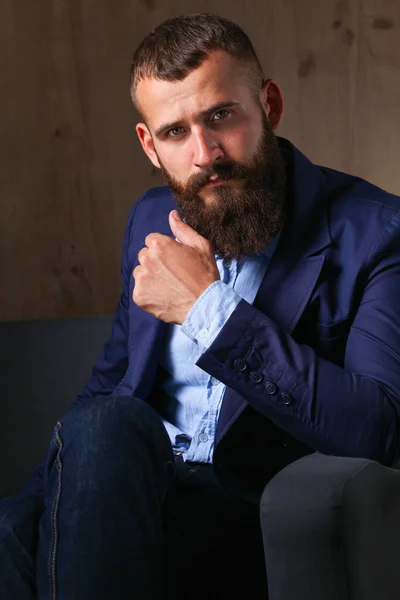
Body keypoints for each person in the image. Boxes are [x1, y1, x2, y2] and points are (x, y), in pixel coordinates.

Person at [1, 12, 400, 600]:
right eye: (175, 132)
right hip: (131, 494)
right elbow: (110, 386)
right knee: (15, 524)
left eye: (220, 117)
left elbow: (379, 427)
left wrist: (207, 309)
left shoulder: (377, 231)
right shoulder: (147, 219)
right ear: (149, 145)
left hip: (251, 509)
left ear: (269, 105)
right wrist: (30, 509)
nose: (204, 153)